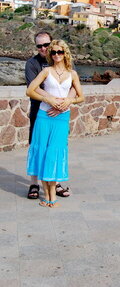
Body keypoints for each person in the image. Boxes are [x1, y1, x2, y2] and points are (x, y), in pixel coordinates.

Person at [26, 39, 84, 208]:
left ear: (65, 53)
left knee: (56, 152)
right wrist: (47, 99)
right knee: (43, 152)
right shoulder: (46, 71)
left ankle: (53, 196)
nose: (57, 55)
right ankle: (48, 198)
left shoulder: (72, 74)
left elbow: (81, 97)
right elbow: (29, 90)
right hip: (44, 116)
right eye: (53, 52)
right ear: (50, 54)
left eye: (60, 52)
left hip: (62, 118)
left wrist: (68, 101)